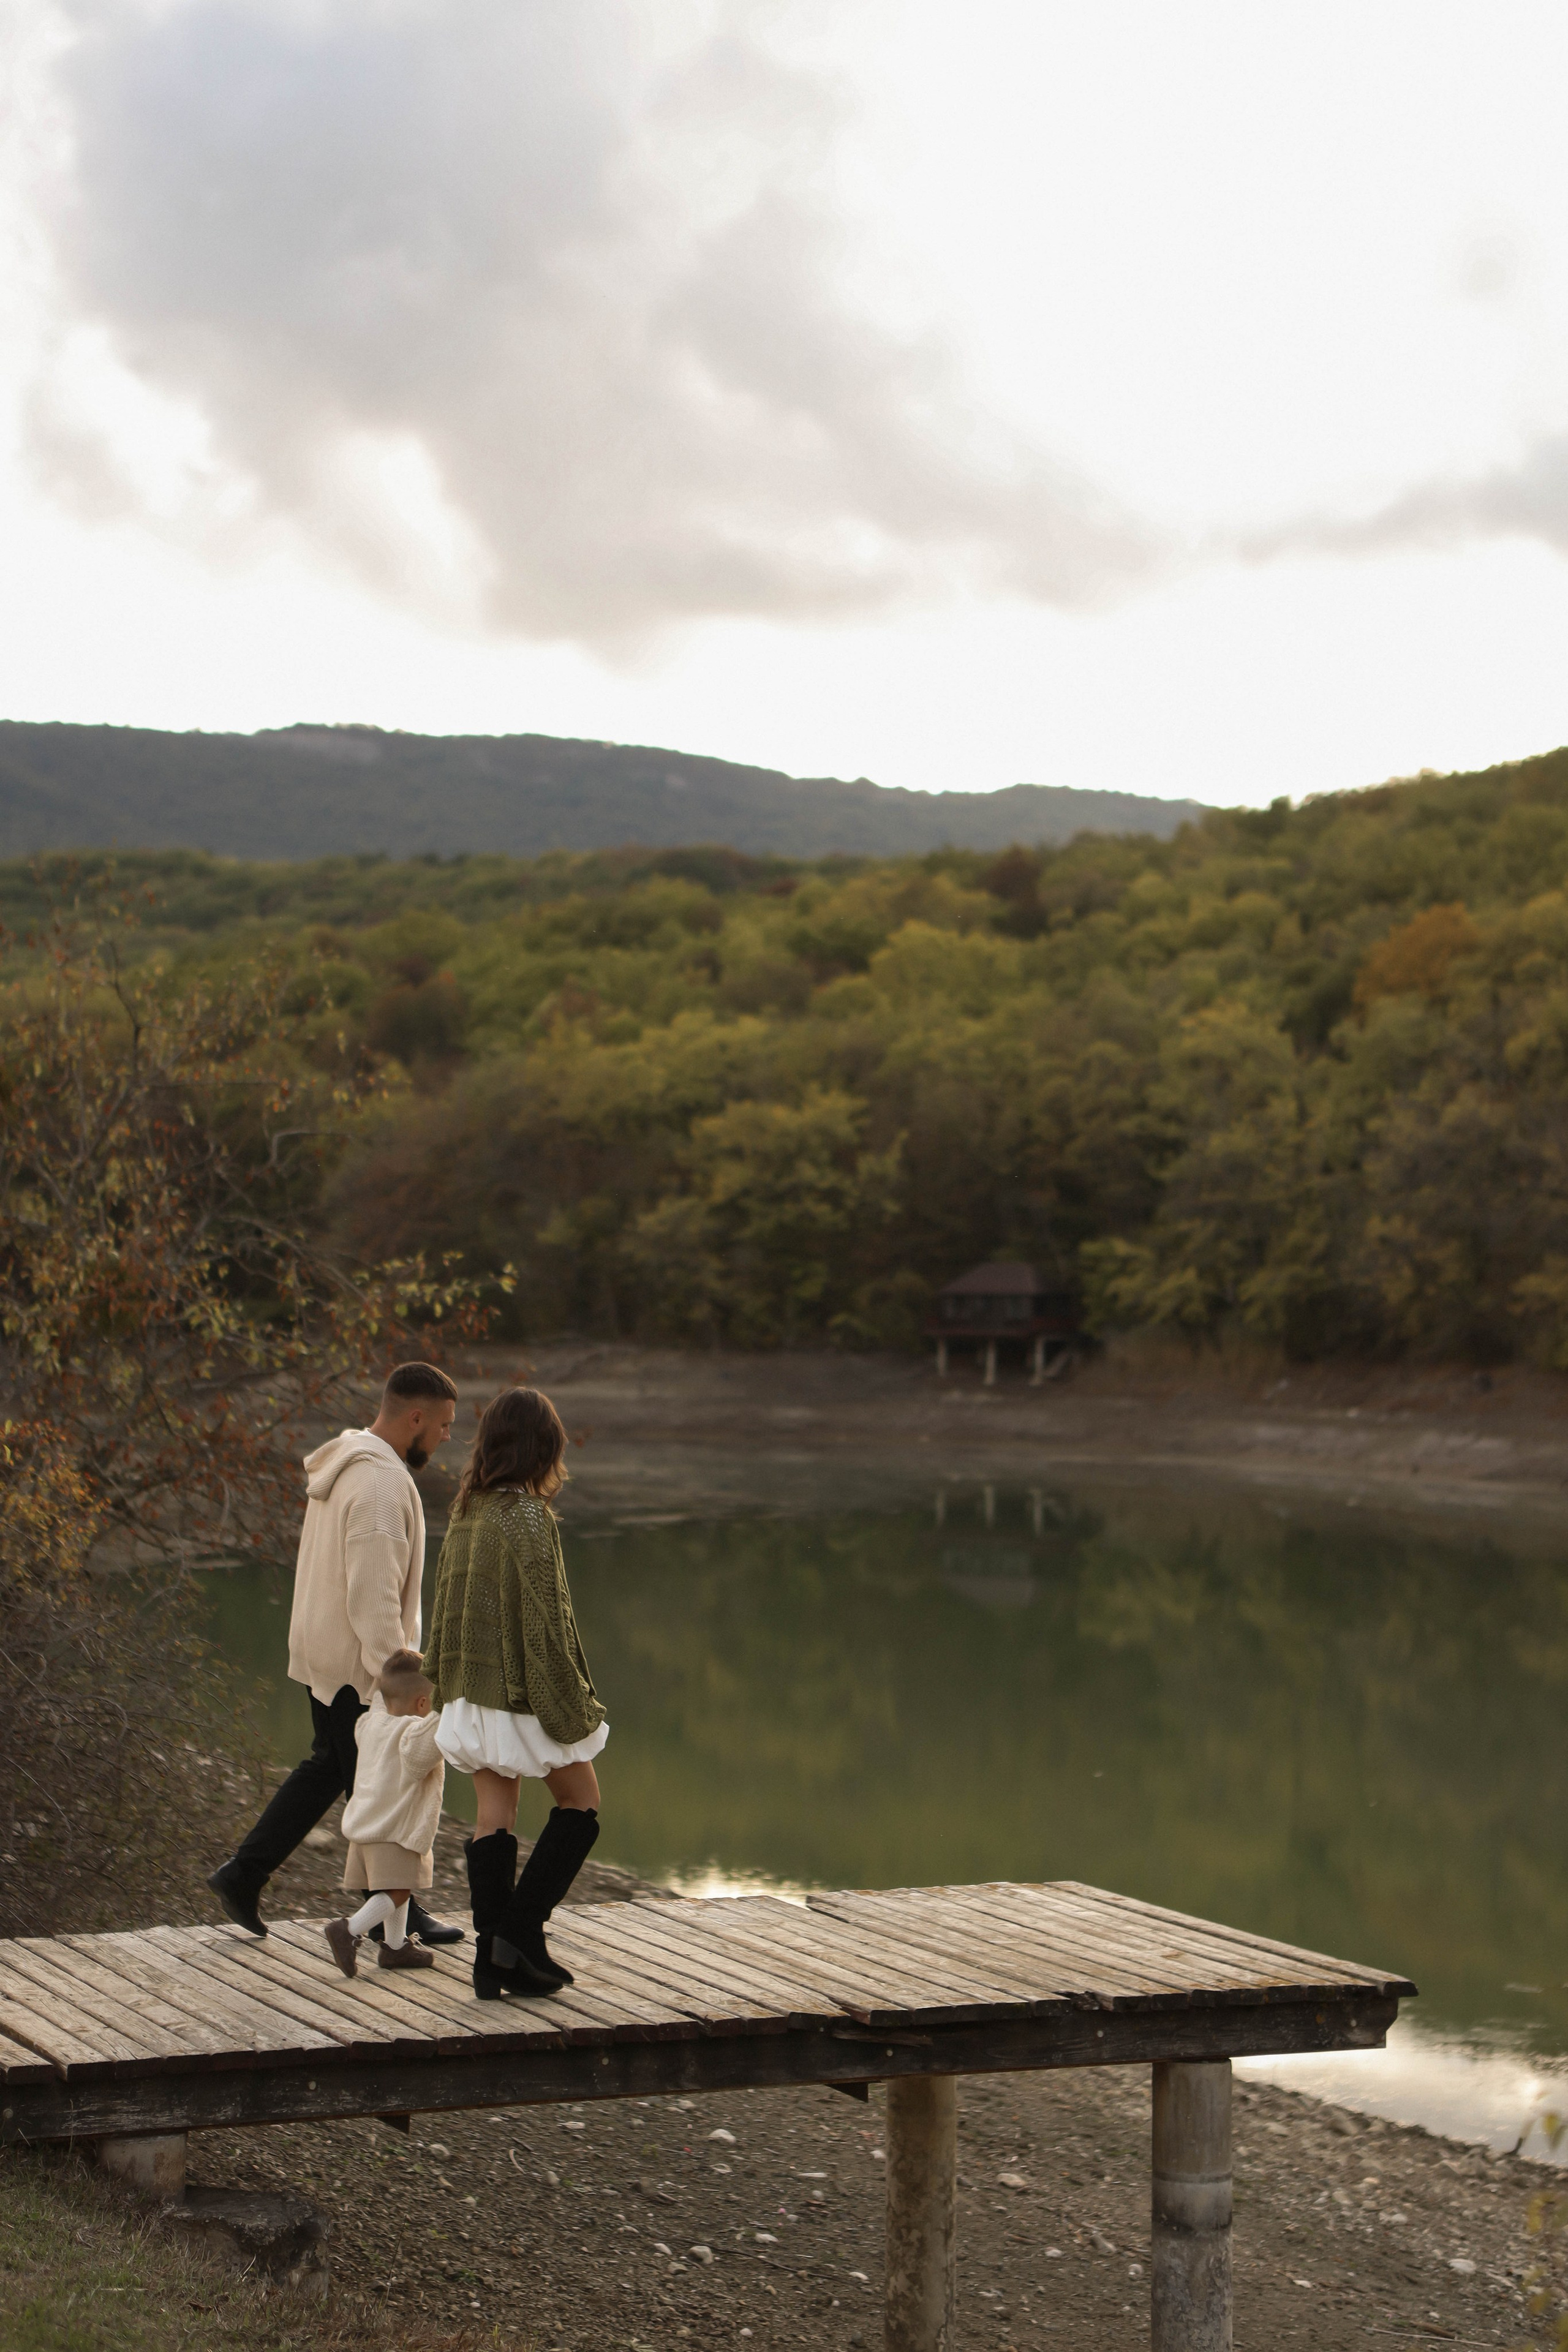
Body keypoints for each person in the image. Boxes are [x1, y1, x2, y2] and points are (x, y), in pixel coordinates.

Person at [207, 1362, 464, 1946]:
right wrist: (397, 1675)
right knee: (385, 1782)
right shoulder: (377, 1484)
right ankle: (394, 1914)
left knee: (333, 1767)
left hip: (324, 1652)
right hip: (360, 1666)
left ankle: (245, 1876)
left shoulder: (353, 1462)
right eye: (444, 1425)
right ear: (416, 1418)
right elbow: (371, 1592)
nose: (448, 1437)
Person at [423, 1385, 606, 1999]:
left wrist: (442, 1683)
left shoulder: (469, 1510)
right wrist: (570, 1698)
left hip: (472, 1692)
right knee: (581, 1806)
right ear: (545, 1448)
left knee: (495, 1815)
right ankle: (519, 1931)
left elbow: (447, 1608)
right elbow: (547, 1621)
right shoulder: (528, 1519)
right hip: (521, 1692)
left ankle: (490, 1960)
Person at [324, 1648, 446, 1977]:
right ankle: (348, 1930)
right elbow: (438, 1731)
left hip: (368, 1825)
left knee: (396, 1886)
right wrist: (451, 1698)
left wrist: (386, 1673)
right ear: (423, 1704)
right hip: (395, 1829)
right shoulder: (412, 1736)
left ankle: (395, 1948)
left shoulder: (370, 1724)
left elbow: (382, 1696)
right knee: (398, 1890)